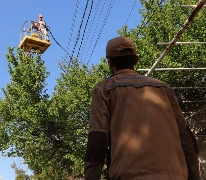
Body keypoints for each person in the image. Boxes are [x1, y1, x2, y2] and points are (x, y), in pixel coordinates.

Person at [84, 36, 200, 180]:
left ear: (110, 62)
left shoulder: (105, 88)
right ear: (136, 60)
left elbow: (98, 140)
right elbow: (187, 139)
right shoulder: (163, 88)